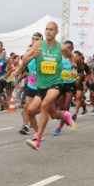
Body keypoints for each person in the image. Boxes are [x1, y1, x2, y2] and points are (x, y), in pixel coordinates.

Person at [18, 21, 73, 151]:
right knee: (32, 111)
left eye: (52, 29)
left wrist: (72, 69)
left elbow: (72, 58)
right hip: (41, 85)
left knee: (44, 105)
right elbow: (24, 60)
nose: (48, 32)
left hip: (56, 84)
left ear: (56, 32)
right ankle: (64, 115)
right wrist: (31, 57)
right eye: (47, 29)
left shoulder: (61, 48)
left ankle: (37, 138)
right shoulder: (38, 45)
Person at [19, 33, 42, 135]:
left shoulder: (45, 52)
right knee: (27, 107)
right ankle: (26, 126)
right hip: (31, 84)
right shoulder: (28, 52)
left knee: (40, 108)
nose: (35, 41)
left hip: (43, 85)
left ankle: (31, 119)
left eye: (37, 39)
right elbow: (24, 66)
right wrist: (20, 75)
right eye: (33, 39)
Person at [53, 41, 77, 136]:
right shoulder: (59, 57)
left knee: (66, 106)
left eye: (69, 48)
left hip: (69, 84)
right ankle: (66, 118)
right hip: (59, 84)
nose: (66, 49)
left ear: (71, 49)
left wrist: (74, 70)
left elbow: (75, 73)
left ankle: (59, 127)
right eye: (65, 47)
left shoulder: (73, 58)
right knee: (57, 106)